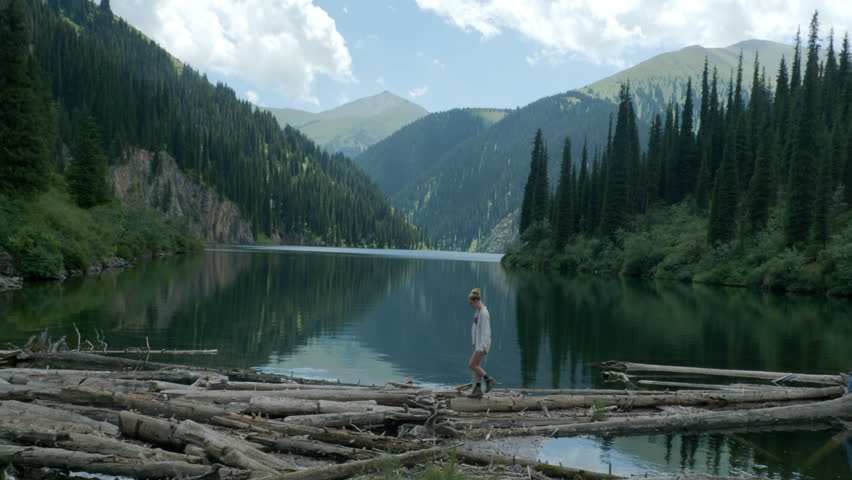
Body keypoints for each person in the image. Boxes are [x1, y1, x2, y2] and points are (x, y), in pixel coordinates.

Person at [468, 287, 495, 398]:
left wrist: (482, 347)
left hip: (482, 345)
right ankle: (478, 388)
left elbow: (486, 332)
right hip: (478, 344)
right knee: (476, 365)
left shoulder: (484, 313)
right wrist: (475, 344)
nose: (470, 306)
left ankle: (488, 380)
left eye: (471, 304)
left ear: (476, 301)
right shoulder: (478, 312)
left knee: (472, 365)